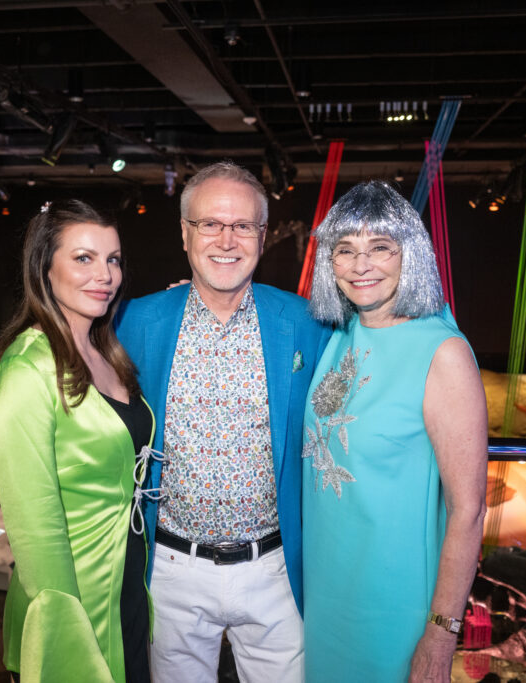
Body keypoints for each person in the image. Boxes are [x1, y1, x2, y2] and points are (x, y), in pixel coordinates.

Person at [115, 161, 330, 682]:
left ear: (262, 236)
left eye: (243, 226)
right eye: (210, 224)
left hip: (275, 571)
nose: (226, 240)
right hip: (172, 573)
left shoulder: (307, 322)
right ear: (185, 234)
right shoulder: (135, 321)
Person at [301, 180, 488, 681]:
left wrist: (441, 634)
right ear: (329, 262)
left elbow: (468, 510)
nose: (361, 266)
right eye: (346, 250)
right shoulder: (343, 329)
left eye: (380, 248)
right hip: (328, 596)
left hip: (394, 607)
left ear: (412, 256)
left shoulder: (441, 353)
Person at [0, 200, 152, 683]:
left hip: (126, 589)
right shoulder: (26, 371)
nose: (105, 274)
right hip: (75, 609)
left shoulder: (105, 349)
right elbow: (35, 535)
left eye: (113, 259)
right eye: (84, 258)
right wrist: (65, 644)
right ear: (44, 267)